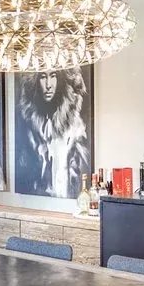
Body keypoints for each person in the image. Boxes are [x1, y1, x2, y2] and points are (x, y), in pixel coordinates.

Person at [15, 69, 90, 198]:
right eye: (43, 77)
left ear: (61, 80)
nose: (48, 85)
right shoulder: (30, 127)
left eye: (53, 76)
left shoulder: (75, 128)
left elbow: (82, 174)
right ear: (35, 82)